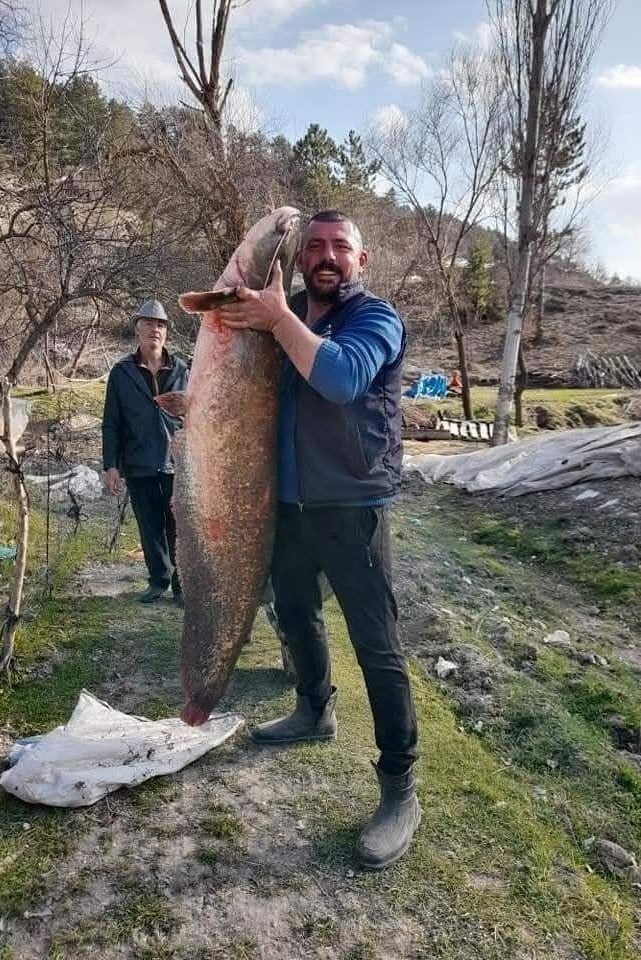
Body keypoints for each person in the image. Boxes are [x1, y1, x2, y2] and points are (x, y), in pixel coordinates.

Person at [215, 210, 420, 870]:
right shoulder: (286, 314)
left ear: (361, 261)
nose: (328, 256)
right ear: (301, 257)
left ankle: (400, 788)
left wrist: (278, 319)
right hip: (288, 504)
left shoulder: (376, 319)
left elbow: (340, 379)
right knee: (296, 612)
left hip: (354, 506)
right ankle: (313, 709)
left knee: (377, 645)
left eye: (341, 247)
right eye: (317, 247)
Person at [102, 299, 188, 604]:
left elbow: (197, 416)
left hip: (177, 463)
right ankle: (158, 580)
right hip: (138, 460)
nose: (155, 329)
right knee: (149, 527)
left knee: (179, 528)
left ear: (167, 332)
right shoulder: (122, 372)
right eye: (149, 323)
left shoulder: (181, 369)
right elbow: (111, 422)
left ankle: (182, 585)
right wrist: (111, 465)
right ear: (137, 328)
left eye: (161, 325)